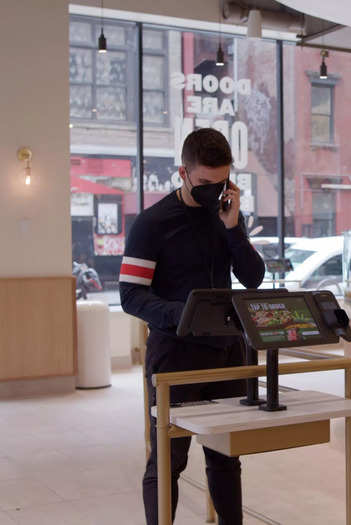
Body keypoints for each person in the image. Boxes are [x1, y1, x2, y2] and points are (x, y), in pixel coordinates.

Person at [119, 128, 265, 525]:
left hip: (228, 354)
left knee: (225, 458)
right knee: (168, 461)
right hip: (174, 357)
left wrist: (234, 228)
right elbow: (131, 295)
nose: (212, 192)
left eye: (221, 184)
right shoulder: (152, 224)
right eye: (203, 183)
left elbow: (252, 278)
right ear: (182, 172)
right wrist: (182, 314)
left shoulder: (226, 215)